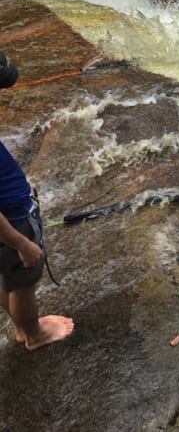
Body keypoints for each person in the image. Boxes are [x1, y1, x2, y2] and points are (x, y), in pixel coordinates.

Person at [0, 52, 74, 350]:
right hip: (12, 223)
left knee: (6, 276)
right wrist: (22, 243)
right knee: (23, 282)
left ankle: (22, 325)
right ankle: (34, 334)